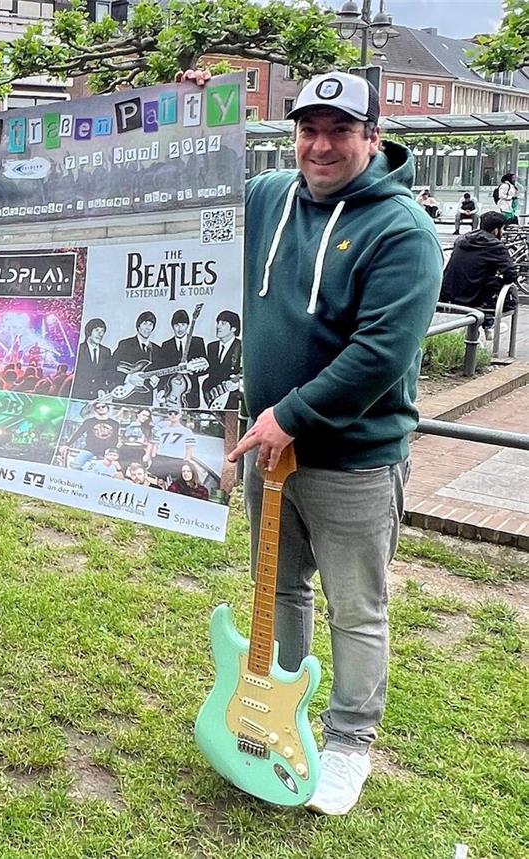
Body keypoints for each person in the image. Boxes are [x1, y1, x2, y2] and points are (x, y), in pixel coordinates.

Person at [188, 68, 442, 816]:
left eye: (340, 131)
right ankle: (281, 714)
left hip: (352, 461)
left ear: (373, 137)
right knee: (280, 591)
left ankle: (350, 743)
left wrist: (289, 415)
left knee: (355, 609)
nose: (321, 146)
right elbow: (197, 196)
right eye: (308, 130)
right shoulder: (270, 195)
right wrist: (197, 119)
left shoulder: (403, 232)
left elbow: (380, 353)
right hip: (271, 452)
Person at [441, 210, 520, 336]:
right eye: (503, 229)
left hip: (449, 292)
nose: (503, 232)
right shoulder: (496, 246)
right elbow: (511, 275)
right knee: (508, 292)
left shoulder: (462, 239)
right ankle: (489, 322)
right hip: (474, 296)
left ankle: (484, 324)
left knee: (482, 276)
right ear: (496, 230)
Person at [151, 309, 208, 408]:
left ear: (187, 326)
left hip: (191, 394)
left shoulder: (197, 342)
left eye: (183, 325)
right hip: (171, 393)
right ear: (172, 327)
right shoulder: (166, 345)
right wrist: (161, 389)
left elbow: (205, 368)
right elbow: (162, 370)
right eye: (177, 325)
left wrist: (191, 370)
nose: (180, 328)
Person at [110, 311, 159, 406]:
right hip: (125, 398)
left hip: (145, 401)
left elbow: (159, 373)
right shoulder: (125, 345)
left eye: (150, 325)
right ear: (138, 326)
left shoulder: (156, 349)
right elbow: (110, 368)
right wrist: (128, 378)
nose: (147, 327)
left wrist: (157, 381)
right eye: (145, 323)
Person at [201, 310, 242, 410]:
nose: (218, 326)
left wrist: (237, 383)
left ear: (233, 328)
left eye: (223, 323)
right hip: (213, 399)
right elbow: (209, 371)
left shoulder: (241, 347)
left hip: (233, 400)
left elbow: (248, 373)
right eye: (218, 323)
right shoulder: (212, 347)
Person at [146, 408, 196, 483]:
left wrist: (186, 460)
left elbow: (189, 448)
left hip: (177, 460)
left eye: (175, 413)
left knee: (176, 483)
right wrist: (153, 457)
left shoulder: (187, 432)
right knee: (156, 481)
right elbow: (155, 445)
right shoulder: (162, 430)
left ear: (180, 415)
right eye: (170, 414)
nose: (173, 415)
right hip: (161, 458)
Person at [73, 317, 114, 400]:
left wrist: (102, 389)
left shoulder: (106, 351)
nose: (100, 334)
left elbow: (107, 373)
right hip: (78, 396)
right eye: (97, 330)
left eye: (102, 331)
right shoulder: (78, 349)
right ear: (89, 331)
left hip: (97, 398)